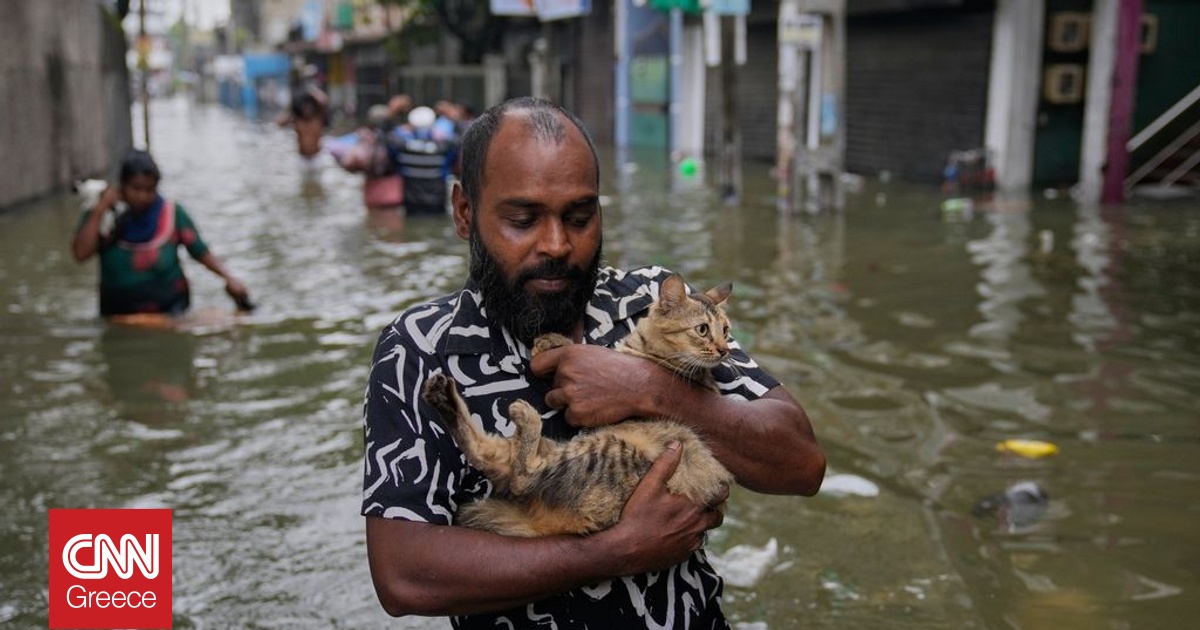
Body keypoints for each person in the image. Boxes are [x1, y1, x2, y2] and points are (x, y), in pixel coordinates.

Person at [362, 97, 825, 628]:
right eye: (523, 219)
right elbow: (403, 575)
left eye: (580, 217)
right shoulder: (419, 348)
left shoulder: (651, 302)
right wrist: (615, 551)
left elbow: (802, 464)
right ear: (465, 213)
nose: (557, 244)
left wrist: (650, 388)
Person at [71, 150, 252, 318]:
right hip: (118, 315)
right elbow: (81, 254)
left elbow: (199, 251)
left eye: (149, 190)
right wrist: (100, 209)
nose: (142, 196)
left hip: (171, 310)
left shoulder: (172, 214)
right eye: (136, 189)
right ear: (122, 186)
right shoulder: (103, 217)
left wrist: (228, 278)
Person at [393, 105, 456, 216]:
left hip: (411, 202)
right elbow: (462, 139)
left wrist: (392, 111)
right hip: (437, 201)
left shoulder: (401, 147)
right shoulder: (444, 147)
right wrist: (454, 116)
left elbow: (385, 137)